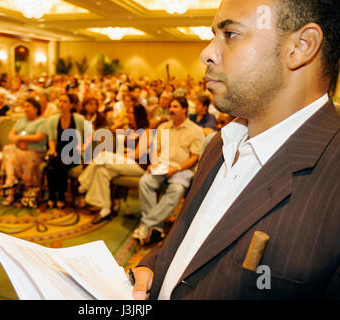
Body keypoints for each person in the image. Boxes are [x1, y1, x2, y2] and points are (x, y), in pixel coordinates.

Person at [130, 0, 339, 300]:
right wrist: (154, 268)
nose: (206, 53)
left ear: (301, 46)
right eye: (214, 34)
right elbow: (190, 243)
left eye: (230, 34)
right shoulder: (221, 143)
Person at [133, 97, 204, 244]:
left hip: (183, 169)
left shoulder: (195, 130)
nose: (171, 109)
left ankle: (146, 224)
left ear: (184, 110)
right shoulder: (163, 127)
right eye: (171, 106)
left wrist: (176, 168)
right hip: (163, 166)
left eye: (175, 107)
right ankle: (156, 227)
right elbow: (157, 151)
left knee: (177, 190)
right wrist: (154, 162)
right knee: (145, 182)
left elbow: (194, 157)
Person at [78, 103, 152, 224]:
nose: (127, 115)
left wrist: (119, 156)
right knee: (102, 171)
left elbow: (138, 154)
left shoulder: (146, 132)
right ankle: (105, 209)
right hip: (125, 163)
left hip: (138, 166)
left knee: (103, 155)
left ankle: (84, 184)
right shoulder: (129, 130)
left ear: (138, 115)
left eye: (130, 113)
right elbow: (107, 131)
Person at [0, 98, 48, 206]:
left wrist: (21, 139)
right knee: (8, 149)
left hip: (35, 151)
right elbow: (11, 135)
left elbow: (39, 136)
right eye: (24, 106)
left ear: (36, 109)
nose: (26, 109)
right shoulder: (22, 120)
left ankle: (12, 191)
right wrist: (17, 142)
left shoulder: (42, 121)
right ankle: (11, 178)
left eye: (28, 106)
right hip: (18, 149)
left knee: (17, 156)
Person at [46, 93, 89, 209]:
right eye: (60, 101)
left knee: (60, 164)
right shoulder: (53, 120)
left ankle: (59, 196)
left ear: (71, 105)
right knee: (51, 165)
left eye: (65, 101)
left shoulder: (79, 119)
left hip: (74, 153)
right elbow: (51, 139)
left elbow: (91, 134)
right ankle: (52, 195)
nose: (61, 104)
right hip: (59, 152)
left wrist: (84, 146)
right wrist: (53, 151)